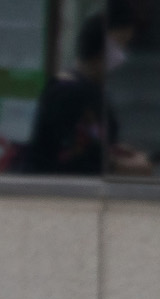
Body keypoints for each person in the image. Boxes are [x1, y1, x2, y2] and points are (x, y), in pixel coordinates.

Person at [18, 10, 151, 176]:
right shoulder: (68, 93)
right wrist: (118, 166)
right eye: (120, 43)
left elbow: (92, 140)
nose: (122, 56)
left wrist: (115, 151)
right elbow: (71, 155)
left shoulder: (89, 89)